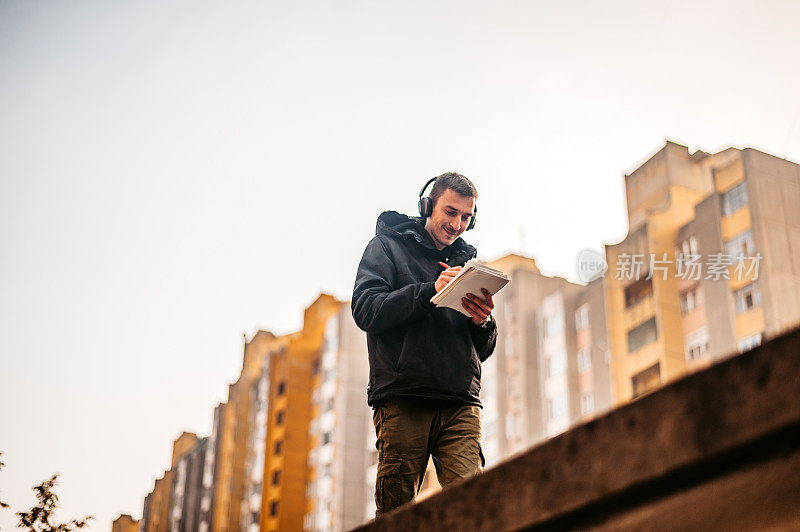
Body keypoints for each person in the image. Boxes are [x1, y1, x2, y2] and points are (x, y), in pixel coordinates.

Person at [351, 172, 497, 518]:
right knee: (397, 515)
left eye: (466, 217)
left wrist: (483, 323)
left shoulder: (467, 263)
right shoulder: (386, 247)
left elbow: (484, 350)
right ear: (427, 205)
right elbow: (366, 310)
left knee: (473, 510)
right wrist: (429, 290)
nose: (457, 224)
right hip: (404, 398)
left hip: (460, 402)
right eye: (450, 212)